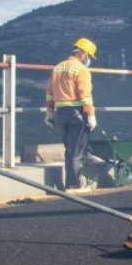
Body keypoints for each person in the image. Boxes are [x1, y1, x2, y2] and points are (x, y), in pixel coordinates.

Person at [45, 38, 98, 191]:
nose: (89, 60)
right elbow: (85, 96)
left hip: (60, 114)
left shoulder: (58, 68)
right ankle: (74, 185)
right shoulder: (81, 70)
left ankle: (70, 183)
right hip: (77, 113)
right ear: (83, 54)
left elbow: (49, 93)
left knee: (69, 150)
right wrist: (91, 115)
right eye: (89, 57)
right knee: (77, 152)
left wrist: (49, 112)